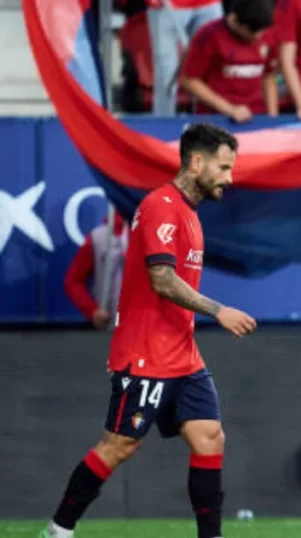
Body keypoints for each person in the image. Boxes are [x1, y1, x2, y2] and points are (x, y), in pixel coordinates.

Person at [40, 123, 258, 538]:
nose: (230, 178)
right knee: (119, 445)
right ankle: (59, 529)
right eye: (224, 167)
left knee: (210, 436)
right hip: (145, 353)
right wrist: (219, 310)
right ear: (196, 162)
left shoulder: (190, 216)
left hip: (182, 354)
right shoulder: (161, 205)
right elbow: (161, 278)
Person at [179, 0, 278, 122]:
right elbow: (189, 80)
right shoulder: (208, 36)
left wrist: (273, 117)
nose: (258, 36)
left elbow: (268, 77)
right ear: (234, 20)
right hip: (215, 119)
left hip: (256, 117)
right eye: (252, 31)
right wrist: (230, 110)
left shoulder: (267, 33)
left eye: (261, 31)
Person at [64, 213, 128, 330]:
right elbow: (73, 281)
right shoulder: (98, 237)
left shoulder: (156, 232)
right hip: (110, 328)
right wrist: (93, 311)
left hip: (148, 328)